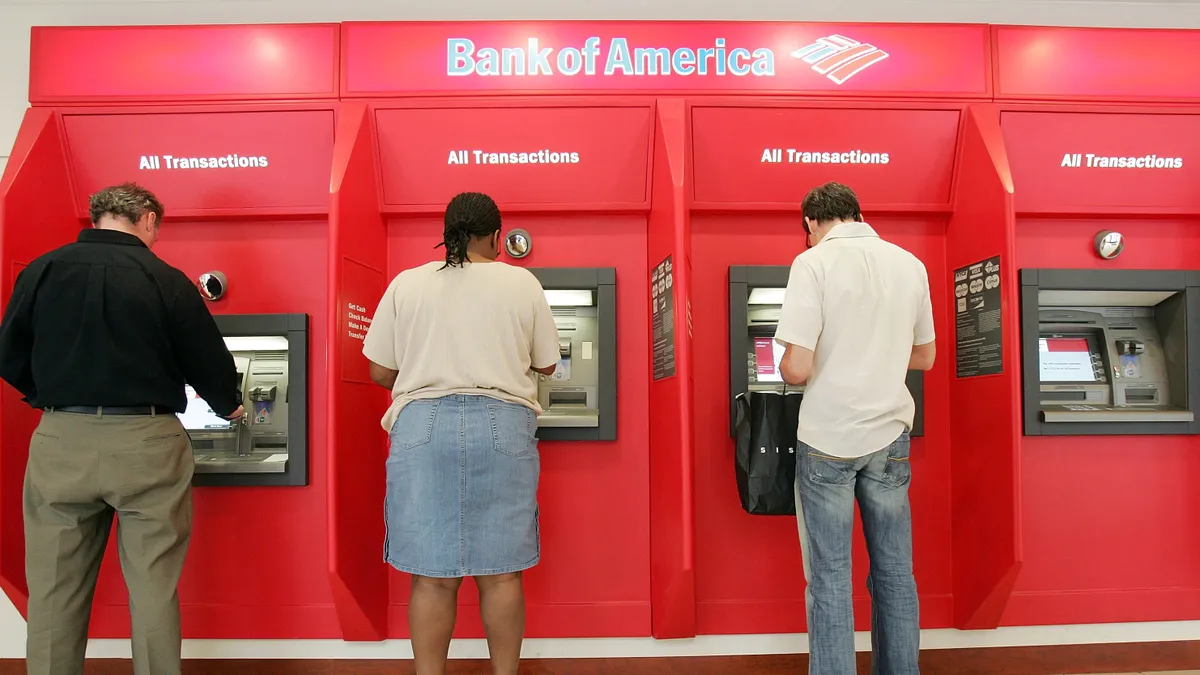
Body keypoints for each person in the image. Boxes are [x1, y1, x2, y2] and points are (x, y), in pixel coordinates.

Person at [0, 183, 243, 675]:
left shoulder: (43, 270)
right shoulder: (165, 279)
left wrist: (56, 398)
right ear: (148, 219)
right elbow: (207, 361)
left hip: (62, 438)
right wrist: (230, 406)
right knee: (153, 587)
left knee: (53, 588)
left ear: (97, 218)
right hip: (146, 440)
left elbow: (8, 354)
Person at [362, 191, 560, 675]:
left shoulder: (407, 284)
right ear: (495, 235)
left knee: (431, 578)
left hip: (421, 425)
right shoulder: (522, 282)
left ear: (448, 233)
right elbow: (548, 362)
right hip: (503, 422)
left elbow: (378, 371)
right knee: (501, 574)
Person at [775, 182, 935, 675]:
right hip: (890, 438)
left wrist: (806, 357)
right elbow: (925, 356)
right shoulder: (909, 263)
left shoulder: (813, 263)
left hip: (828, 439)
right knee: (894, 573)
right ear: (858, 213)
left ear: (810, 224)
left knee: (830, 576)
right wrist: (878, 355)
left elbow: (797, 369)